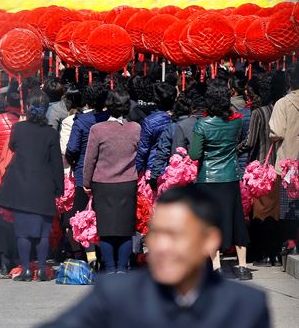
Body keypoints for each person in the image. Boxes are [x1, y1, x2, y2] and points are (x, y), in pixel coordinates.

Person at [43, 185, 270, 328]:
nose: (161, 247)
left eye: (174, 235)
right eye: (155, 234)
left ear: (209, 241)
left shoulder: (245, 306)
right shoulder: (116, 293)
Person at [0, 89, 64, 282]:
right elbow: (56, 163)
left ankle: (25, 269)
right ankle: (41, 269)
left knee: (23, 232)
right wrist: (59, 187)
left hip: (22, 185)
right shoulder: (50, 133)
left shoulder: (19, 129)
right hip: (43, 187)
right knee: (43, 233)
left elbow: (12, 146)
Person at [189, 81, 251, 280]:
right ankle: (242, 266)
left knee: (210, 222)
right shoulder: (236, 122)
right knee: (236, 219)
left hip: (208, 178)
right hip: (230, 176)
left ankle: (216, 266)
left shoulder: (202, 125)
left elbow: (194, 154)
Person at [82, 89, 140, 273]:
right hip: (127, 183)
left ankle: (110, 267)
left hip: (103, 183)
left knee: (106, 229)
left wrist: (86, 182)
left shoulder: (97, 129)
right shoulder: (135, 128)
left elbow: (90, 159)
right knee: (125, 229)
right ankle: (122, 268)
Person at [240, 73, 285, 266]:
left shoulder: (258, 113)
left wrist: (233, 149)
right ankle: (273, 252)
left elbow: (250, 142)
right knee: (274, 212)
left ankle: (263, 254)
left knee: (260, 213)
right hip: (277, 165)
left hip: (261, 167)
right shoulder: (276, 108)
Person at [65, 84, 109, 262]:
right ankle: (100, 255)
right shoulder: (109, 119)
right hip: (105, 174)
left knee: (79, 216)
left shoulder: (81, 121)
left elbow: (72, 148)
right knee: (102, 217)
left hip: (83, 174)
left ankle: (84, 255)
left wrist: (73, 162)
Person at [0, 84, 22, 277]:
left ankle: (4, 261)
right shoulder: (25, 121)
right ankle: (18, 258)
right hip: (20, 175)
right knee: (19, 217)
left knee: (2, 219)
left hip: (0, 174)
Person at [270, 65, 299, 251]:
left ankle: (291, 242)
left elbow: (276, 132)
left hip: (289, 163)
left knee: (290, 206)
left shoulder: (283, 103)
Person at [136, 82, 175, 174]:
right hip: (175, 167)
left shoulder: (150, 121)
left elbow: (143, 149)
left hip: (155, 167)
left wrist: (136, 171)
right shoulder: (178, 117)